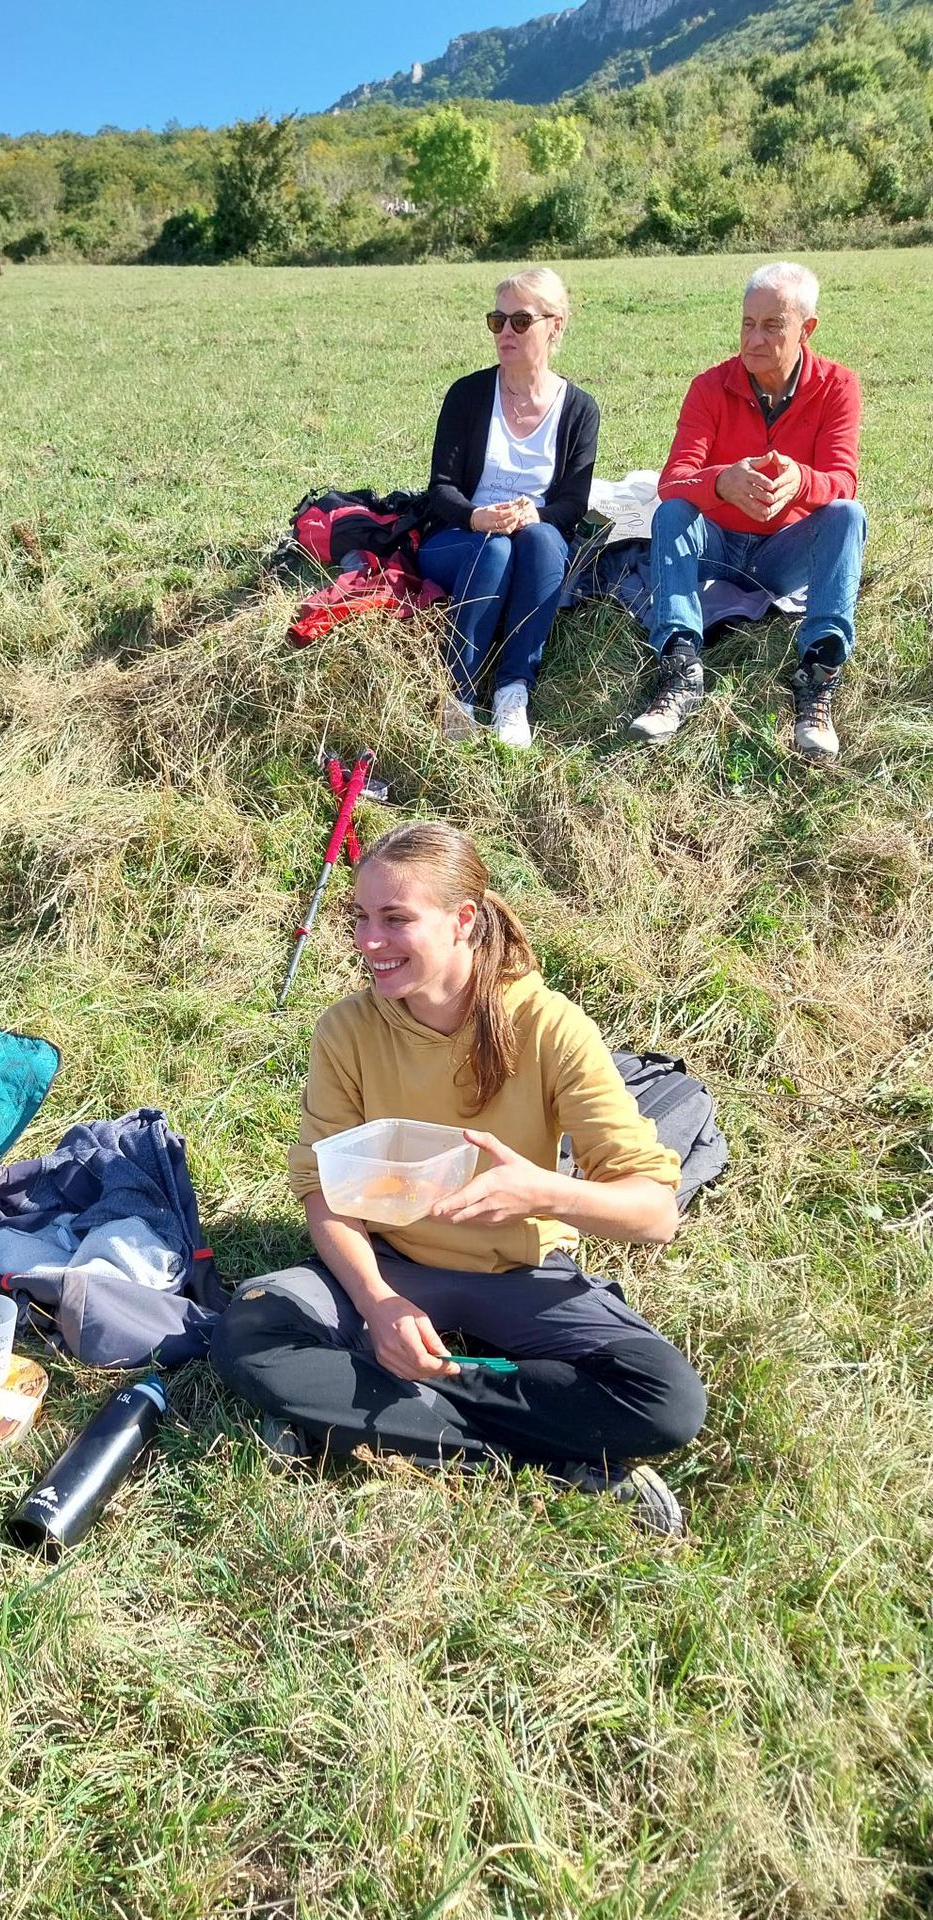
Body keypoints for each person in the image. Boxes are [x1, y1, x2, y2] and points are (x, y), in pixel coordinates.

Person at [210, 822, 707, 1535]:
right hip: (392, 1259)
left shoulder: (549, 1027)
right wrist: (378, 1301)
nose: (368, 941)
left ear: (463, 920)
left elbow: (655, 1212)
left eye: (395, 919)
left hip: (520, 1274)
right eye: (360, 917)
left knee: (664, 1401)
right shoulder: (347, 1030)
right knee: (251, 1330)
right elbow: (321, 1190)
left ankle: (363, 1417)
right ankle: (547, 1453)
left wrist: (544, 1192)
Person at [628, 262, 864, 763]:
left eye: (772, 325)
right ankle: (680, 670)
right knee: (671, 514)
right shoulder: (710, 386)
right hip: (717, 544)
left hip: (783, 553)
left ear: (806, 329)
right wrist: (721, 482)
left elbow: (843, 479)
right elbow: (673, 480)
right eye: (747, 323)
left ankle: (818, 677)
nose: (754, 339)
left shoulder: (837, 386)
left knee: (847, 514)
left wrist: (802, 481)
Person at [418, 269, 600, 750]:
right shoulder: (468, 395)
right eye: (497, 320)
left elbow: (573, 502)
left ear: (555, 326)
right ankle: (456, 696)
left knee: (541, 539)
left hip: (535, 536)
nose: (505, 332)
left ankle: (513, 691)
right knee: (494, 548)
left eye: (520, 321)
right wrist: (476, 517)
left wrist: (536, 515)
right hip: (460, 537)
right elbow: (441, 489)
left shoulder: (579, 409)